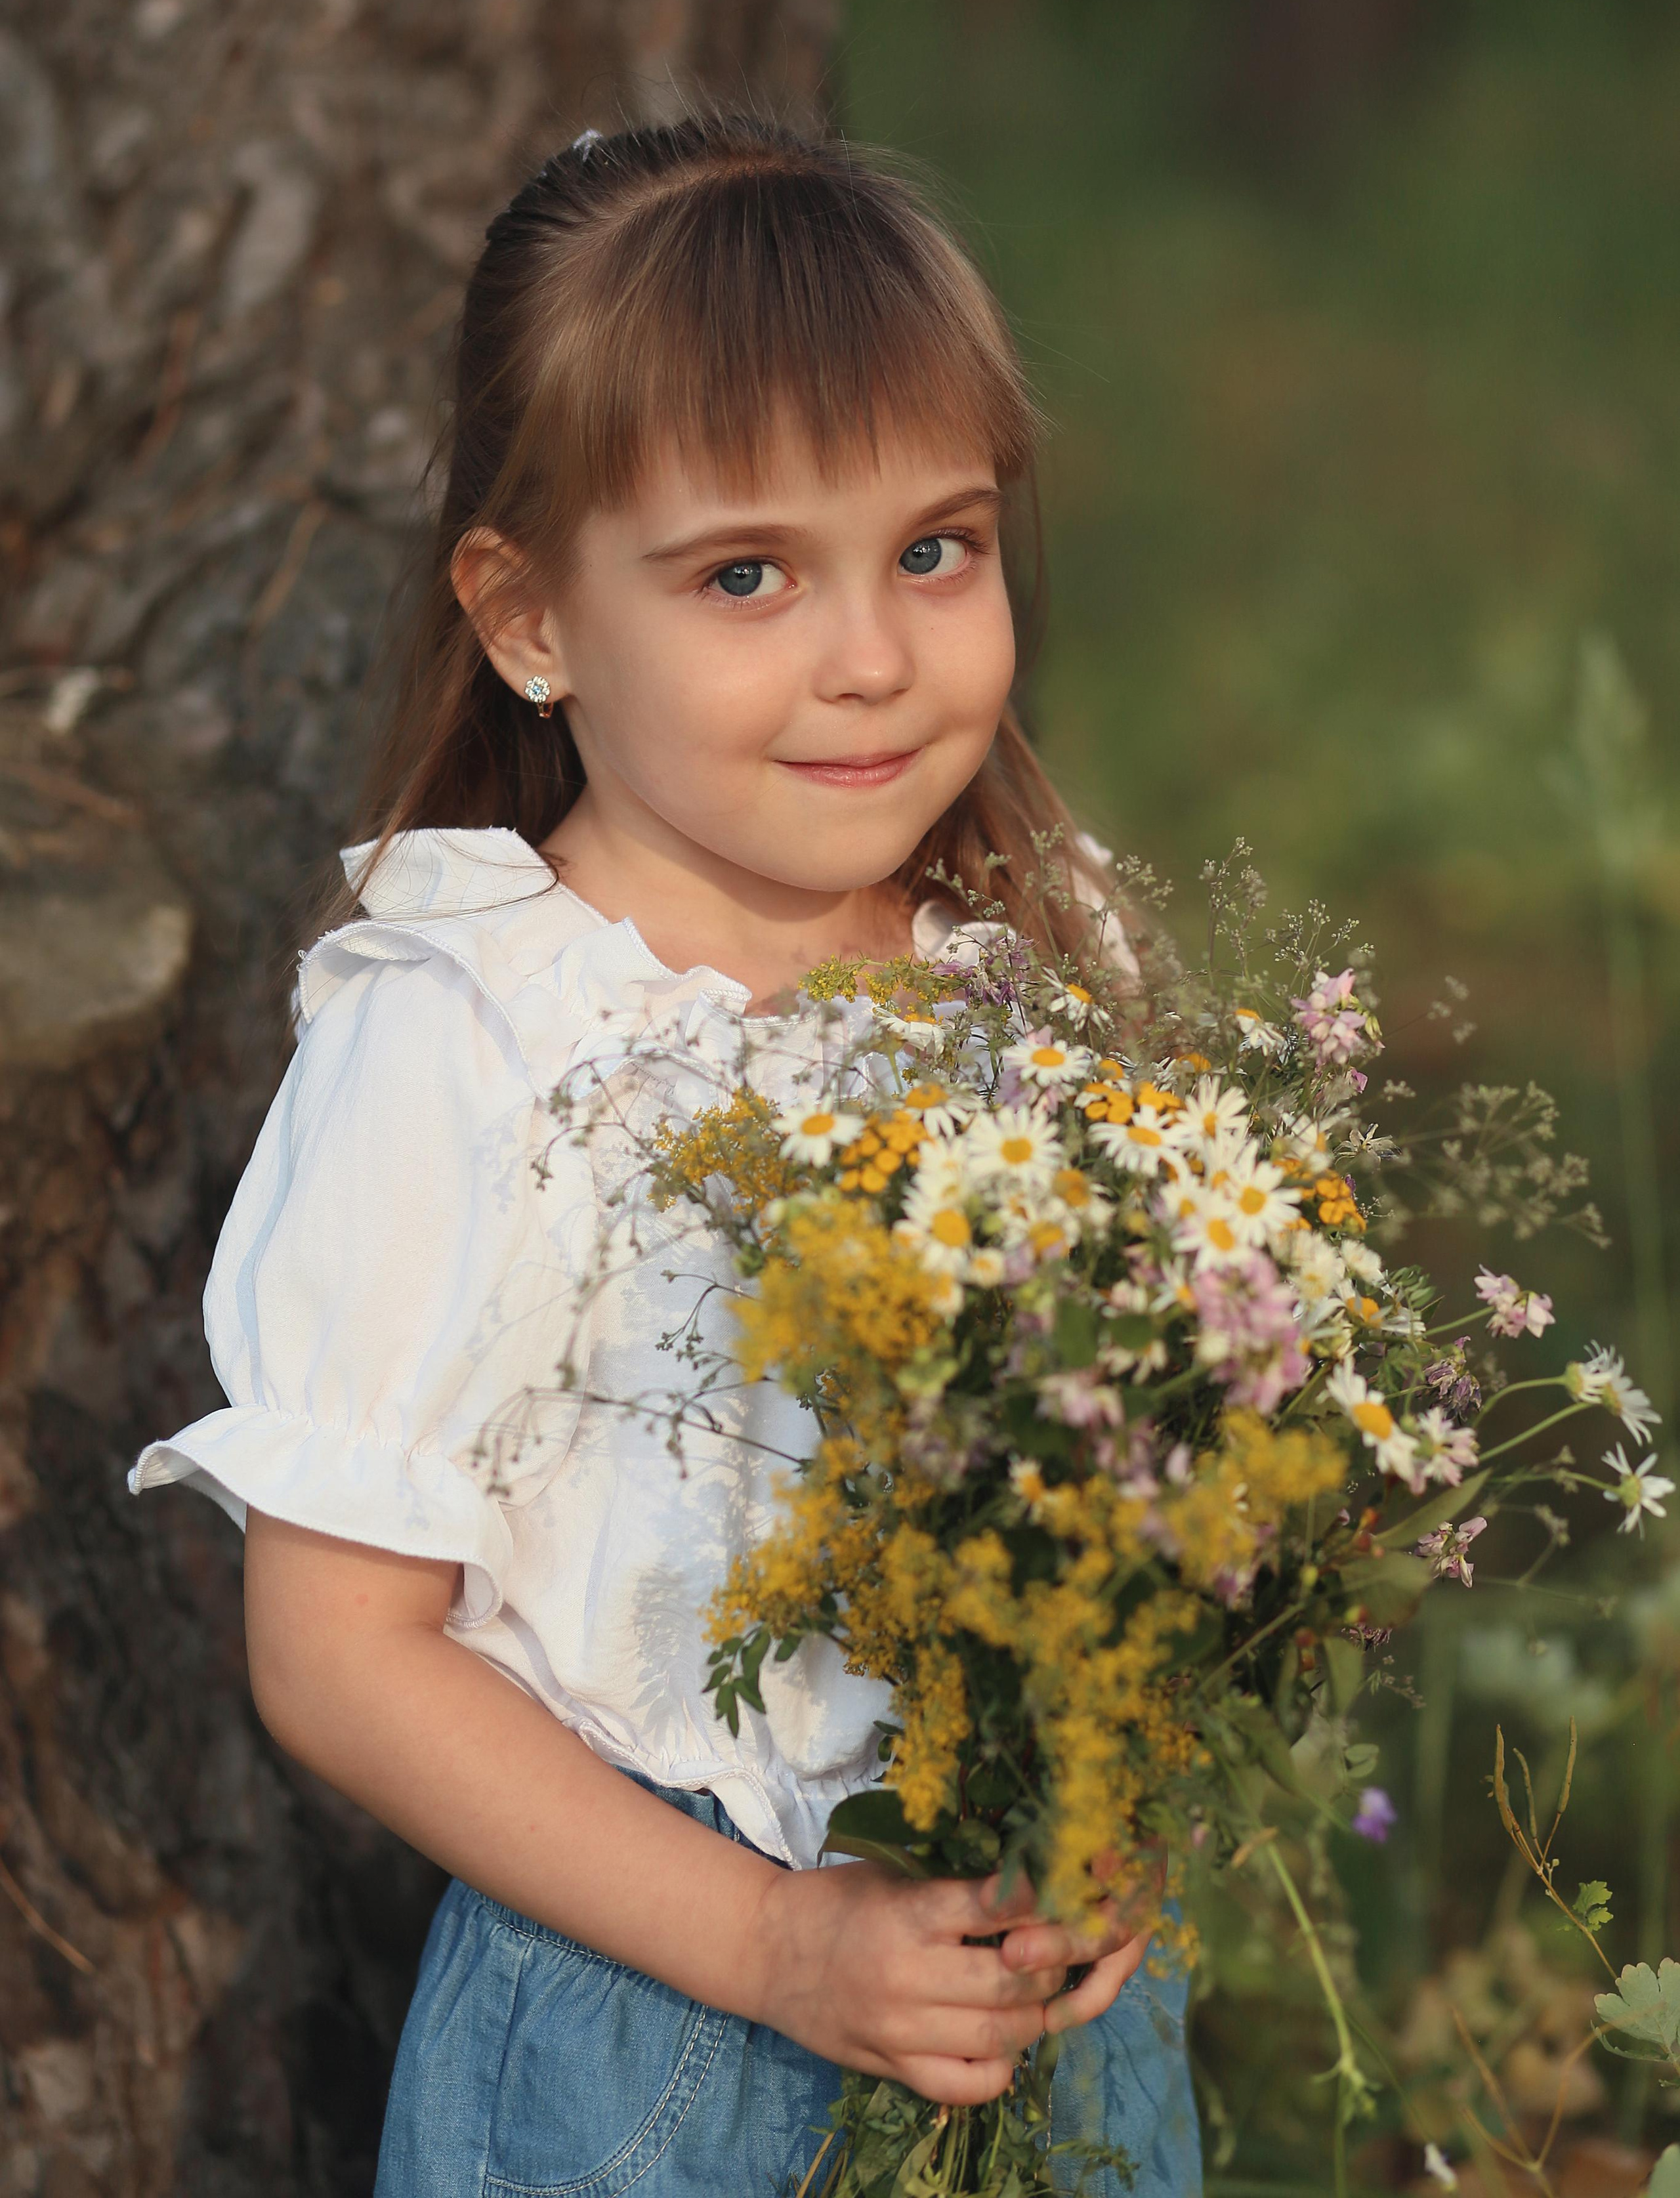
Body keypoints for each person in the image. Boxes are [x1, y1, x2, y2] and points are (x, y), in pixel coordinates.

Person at [131, 117, 1202, 2196]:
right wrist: (776, 1942)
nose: (872, 655)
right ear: (530, 620)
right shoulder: (470, 1028)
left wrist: (1135, 1754)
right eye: (744, 576)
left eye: (935, 549)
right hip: (652, 2036)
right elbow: (336, 1654)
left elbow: (1149, 1455)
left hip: (1041, 1984)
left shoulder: (1043, 964)